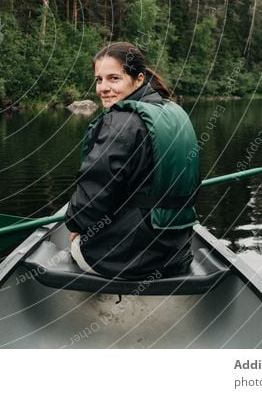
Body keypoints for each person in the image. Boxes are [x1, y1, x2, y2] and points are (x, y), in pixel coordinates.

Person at [65, 41, 200, 279]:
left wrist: (76, 226)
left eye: (113, 78)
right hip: (177, 254)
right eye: (99, 79)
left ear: (138, 80)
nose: (103, 88)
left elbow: (93, 195)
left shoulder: (121, 121)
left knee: (74, 243)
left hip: (129, 262)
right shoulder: (174, 111)